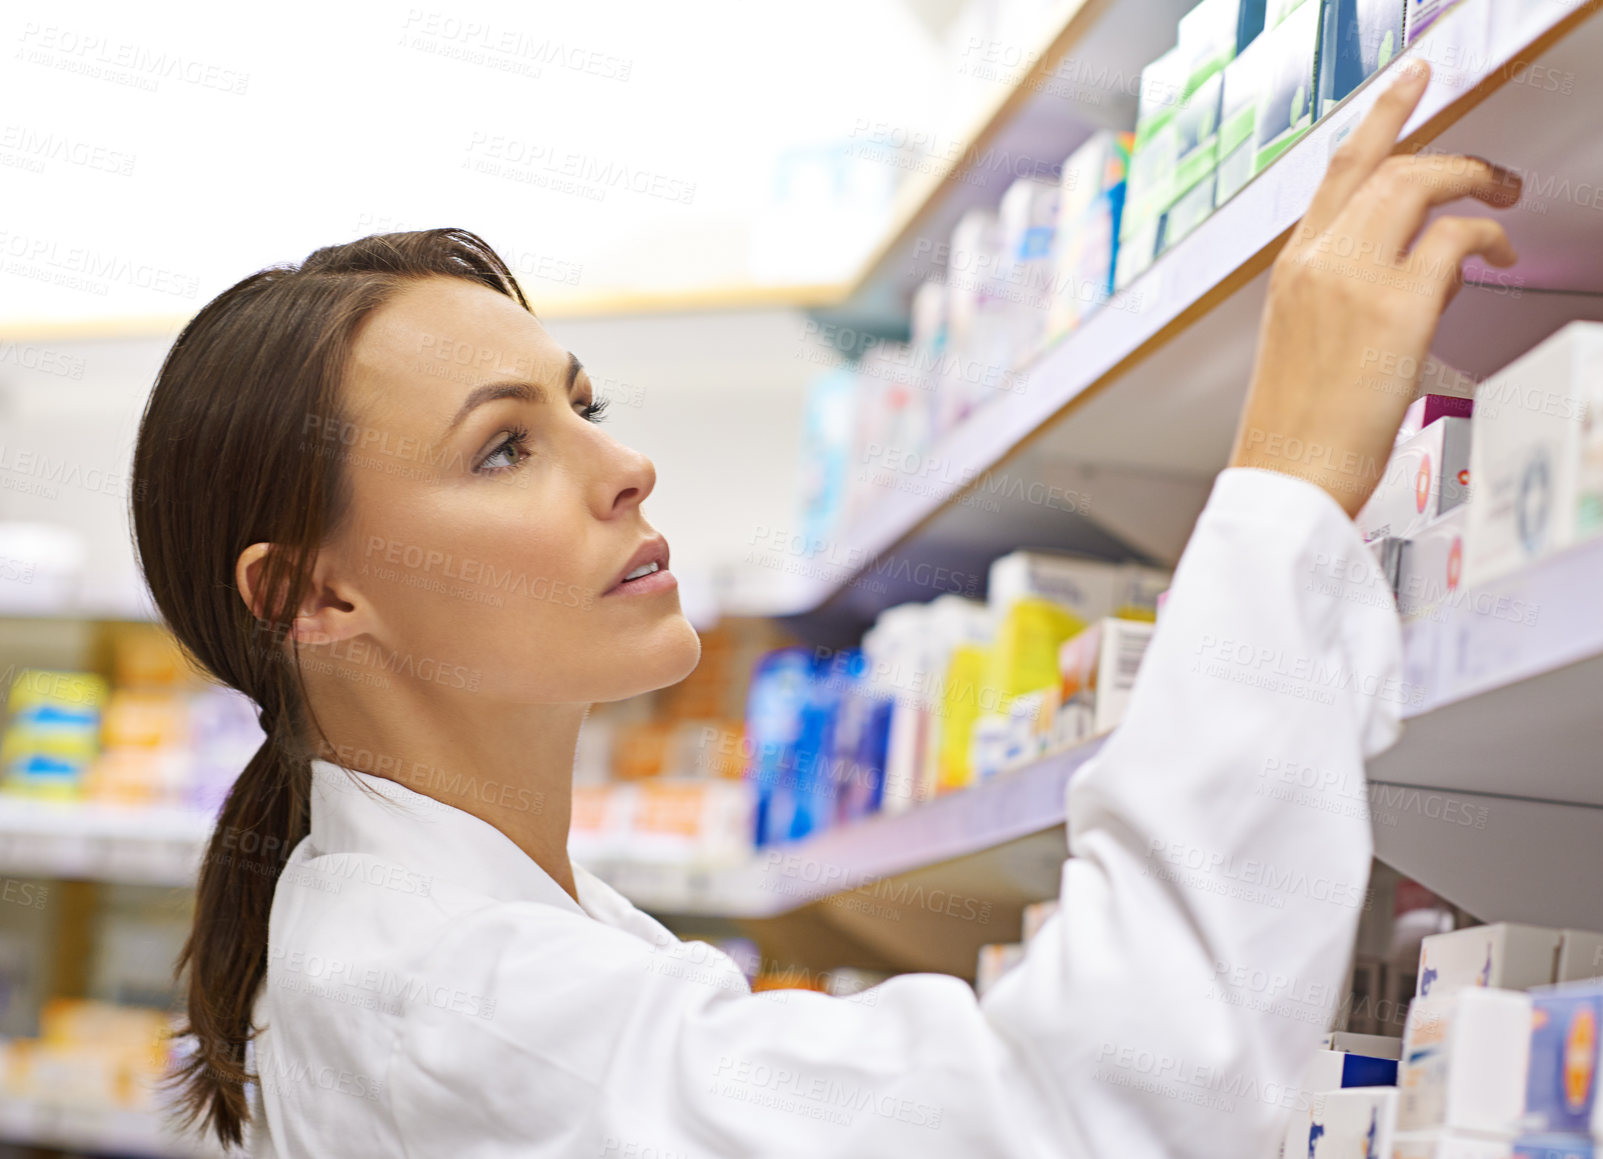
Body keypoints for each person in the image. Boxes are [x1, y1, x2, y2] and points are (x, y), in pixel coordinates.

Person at [130, 60, 1519, 1158]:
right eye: (504, 446)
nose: (625, 466)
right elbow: (1102, 1110)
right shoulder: (447, 1003)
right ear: (317, 594)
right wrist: (1284, 483)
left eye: (584, 406)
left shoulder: (479, 934)